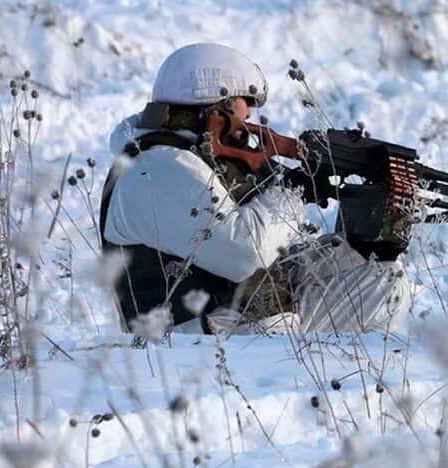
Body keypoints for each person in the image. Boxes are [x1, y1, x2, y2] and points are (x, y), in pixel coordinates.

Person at [100, 43, 413, 336]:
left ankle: (359, 388)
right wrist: (295, 190)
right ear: (216, 106)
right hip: (185, 348)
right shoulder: (156, 168)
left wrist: (362, 243)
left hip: (235, 320)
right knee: (280, 314)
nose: (248, 114)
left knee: (381, 278)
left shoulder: (198, 159)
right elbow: (244, 252)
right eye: (244, 102)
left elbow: (274, 261)